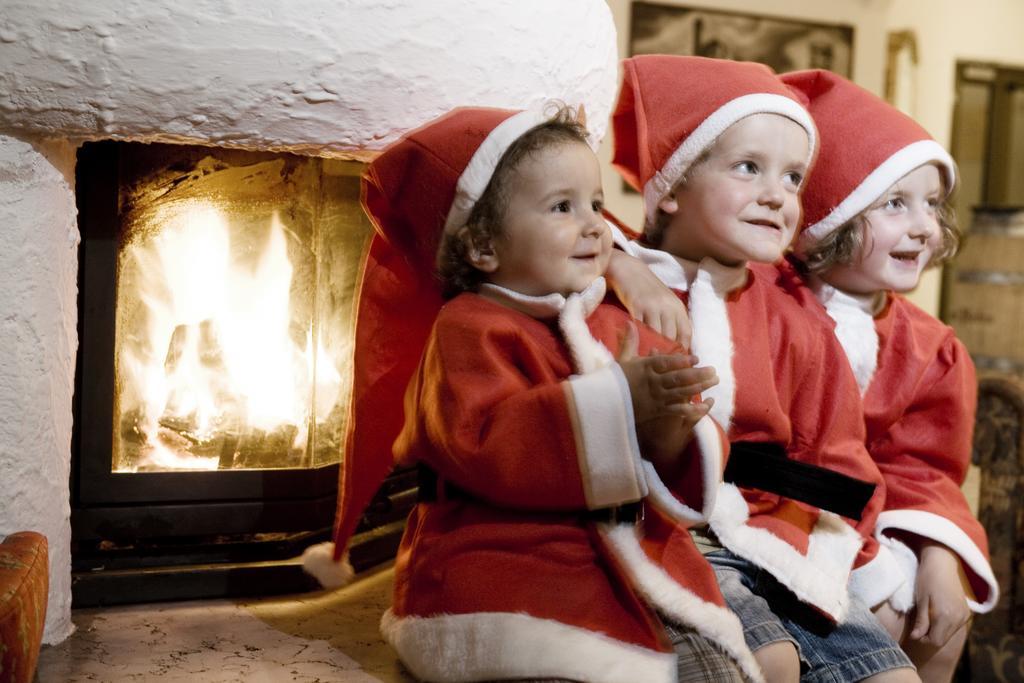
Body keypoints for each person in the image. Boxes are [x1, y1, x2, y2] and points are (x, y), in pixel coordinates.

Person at [313, 103, 763, 682]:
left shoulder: (611, 319)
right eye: (562, 207)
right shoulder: (469, 329)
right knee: (557, 665)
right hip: (510, 567)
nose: (598, 225)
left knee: (715, 670)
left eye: (596, 204)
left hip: (635, 559)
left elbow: (686, 435)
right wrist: (614, 403)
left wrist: (673, 429)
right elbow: (485, 443)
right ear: (483, 247)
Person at [607, 54, 917, 682]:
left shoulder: (798, 319)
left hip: (779, 537)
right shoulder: (620, 293)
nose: (778, 194)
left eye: (795, 178)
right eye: (749, 168)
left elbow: (837, 454)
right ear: (670, 189)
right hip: (670, 537)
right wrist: (616, 259)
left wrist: (808, 539)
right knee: (769, 662)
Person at [781, 69, 999, 682]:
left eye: (932, 204)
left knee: (942, 620)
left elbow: (923, 470)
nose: (926, 225)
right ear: (833, 214)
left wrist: (938, 555)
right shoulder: (769, 305)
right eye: (895, 204)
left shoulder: (931, 350)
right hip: (779, 524)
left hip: (872, 527)